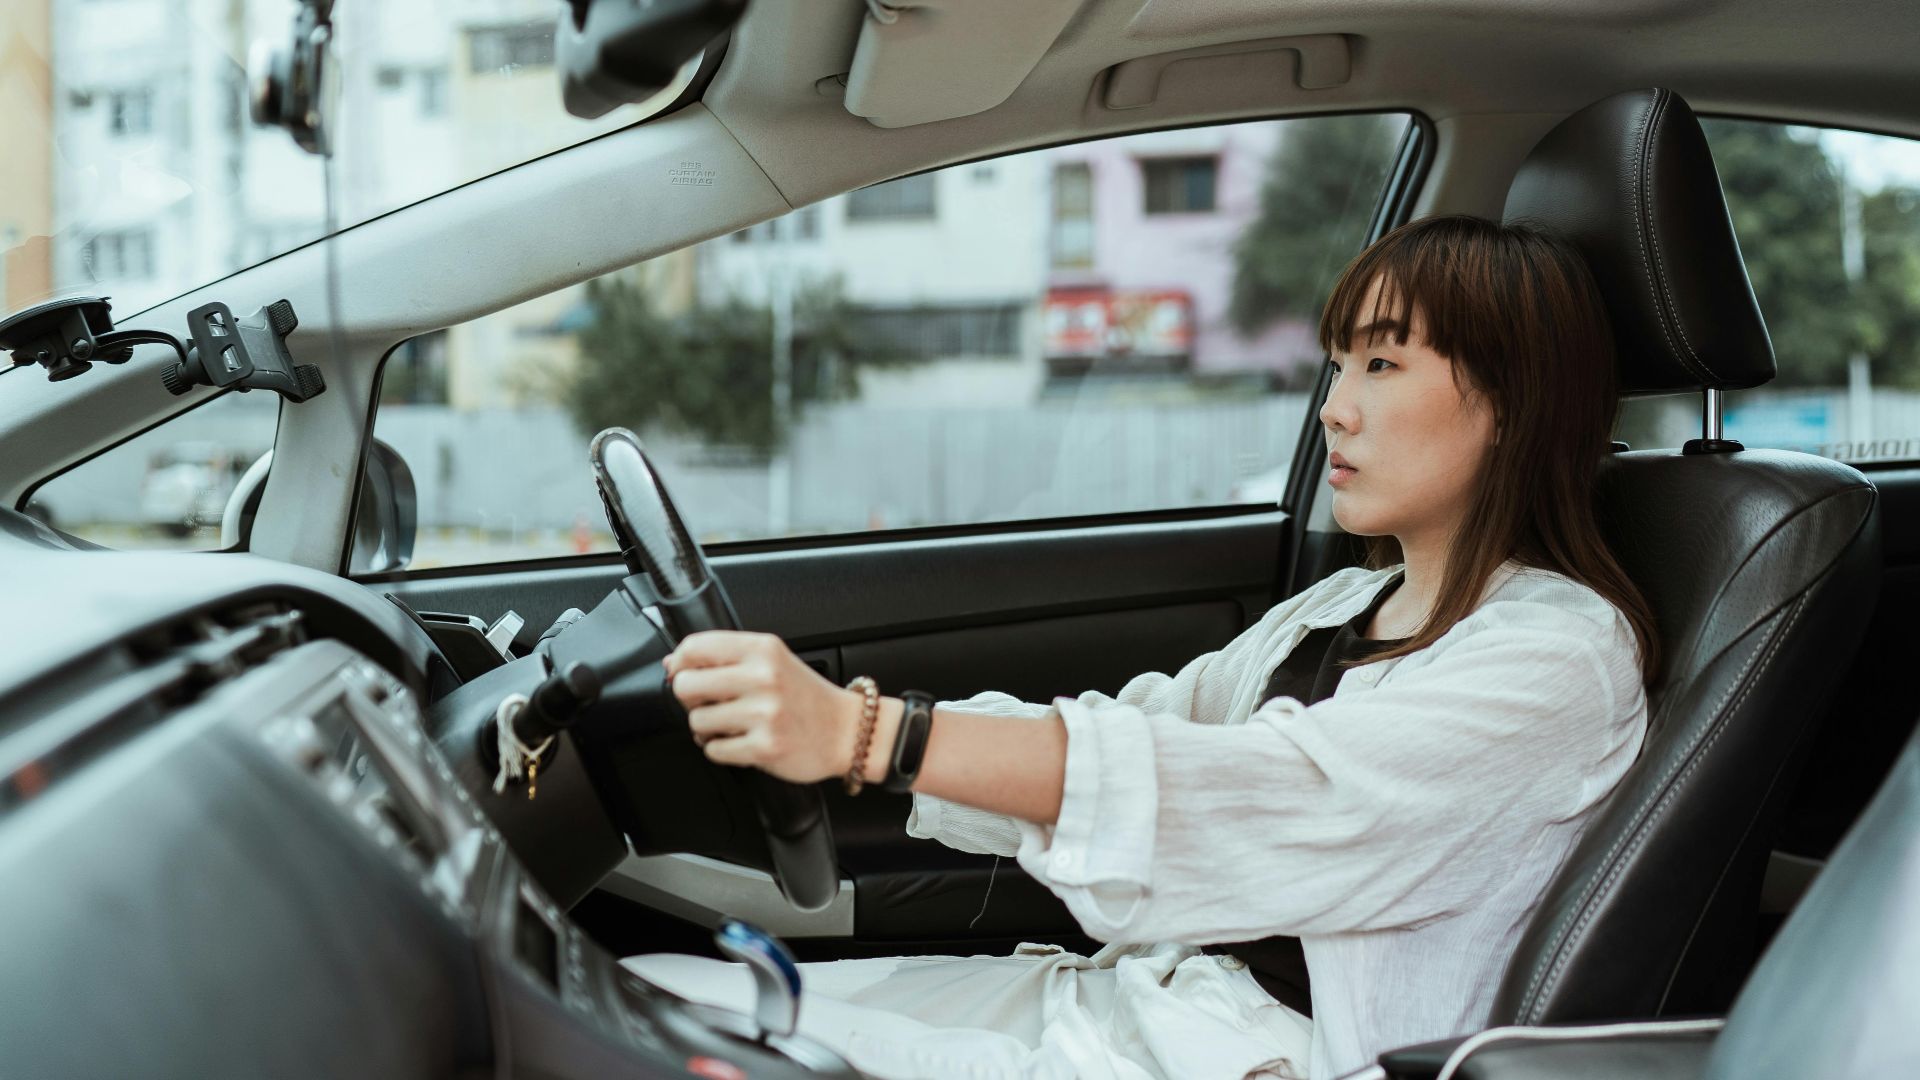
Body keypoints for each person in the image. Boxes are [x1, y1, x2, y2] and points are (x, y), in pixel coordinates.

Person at [625, 214, 1658, 1080]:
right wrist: (850, 743)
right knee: (649, 1002)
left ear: (1512, 404)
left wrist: (869, 737)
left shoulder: (1559, 660)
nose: (1335, 409)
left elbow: (1256, 792)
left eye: (1382, 363)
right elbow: (1145, 728)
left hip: (1253, 1057)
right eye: (1338, 363)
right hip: (1142, 1003)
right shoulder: (1342, 604)